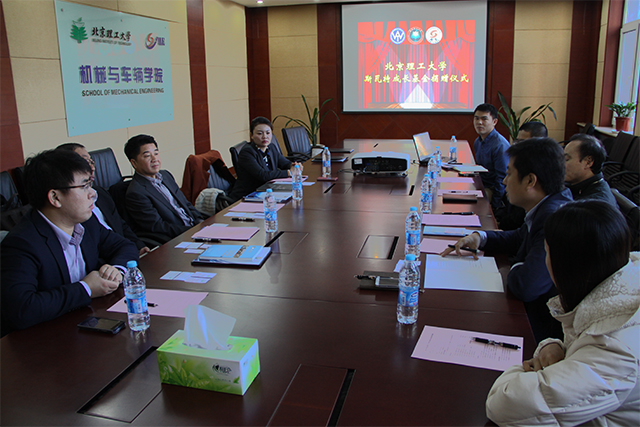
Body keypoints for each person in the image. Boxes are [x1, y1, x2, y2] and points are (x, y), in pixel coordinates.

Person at [486, 201, 639, 426]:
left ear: (564, 265)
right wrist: (551, 346)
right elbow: (581, 346)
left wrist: (528, 369)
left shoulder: (616, 350)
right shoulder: (616, 294)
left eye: (546, 252)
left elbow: (504, 405)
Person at [442, 138, 573, 342]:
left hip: (541, 329)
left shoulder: (553, 219)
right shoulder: (550, 204)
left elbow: (526, 285)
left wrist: (511, 267)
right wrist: (480, 237)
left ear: (530, 181)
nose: (504, 181)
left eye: (509, 174)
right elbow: (519, 237)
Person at [1, 149, 138, 336]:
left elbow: (124, 246)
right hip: (46, 340)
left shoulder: (86, 222)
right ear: (55, 197)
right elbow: (21, 310)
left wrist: (117, 269)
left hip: (87, 324)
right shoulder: (22, 244)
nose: (93, 194)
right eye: (84, 186)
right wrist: (86, 288)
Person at [56, 143, 150, 255]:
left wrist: (139, 246)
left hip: (125, 252)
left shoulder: (101, 193)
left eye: (91, 162)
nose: (91, 167)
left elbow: (121, 225)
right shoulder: (72, 209)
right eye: (84, 162)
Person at [124, 134, 204, 240]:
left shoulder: (166, 175)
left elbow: (186, 204)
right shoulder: (136, 192)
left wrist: (201, 222)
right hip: (180, 237)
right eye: (147, 156)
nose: (154, 159)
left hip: (196, 229)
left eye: (156, 153)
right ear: (134, 163)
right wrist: (193, 231)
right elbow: (158, 226)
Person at [228, 116, 302, 202]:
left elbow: (284, 163)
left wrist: (294, 165)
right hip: (247, 196)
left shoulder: (271, 147)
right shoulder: (247, 152)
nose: (265, 136)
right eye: (260, 133)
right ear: (252, 135)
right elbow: (263, 175)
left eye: (268, 133)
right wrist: (289, 172)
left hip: (267, 191)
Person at [473, 103, 510, 209]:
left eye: (484, 119)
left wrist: (495, 206)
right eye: (476, 118)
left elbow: (501, 179)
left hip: (492, 189)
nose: (479, 122)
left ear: (494, 122)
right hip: (481, 184)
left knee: (471, 201)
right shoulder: (478, 141)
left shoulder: (500, 145)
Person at [564, 134, 616, 206]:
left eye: (566, 159)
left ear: (588, 162)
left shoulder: (595, 205)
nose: (561, 164)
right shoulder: (578, 185)